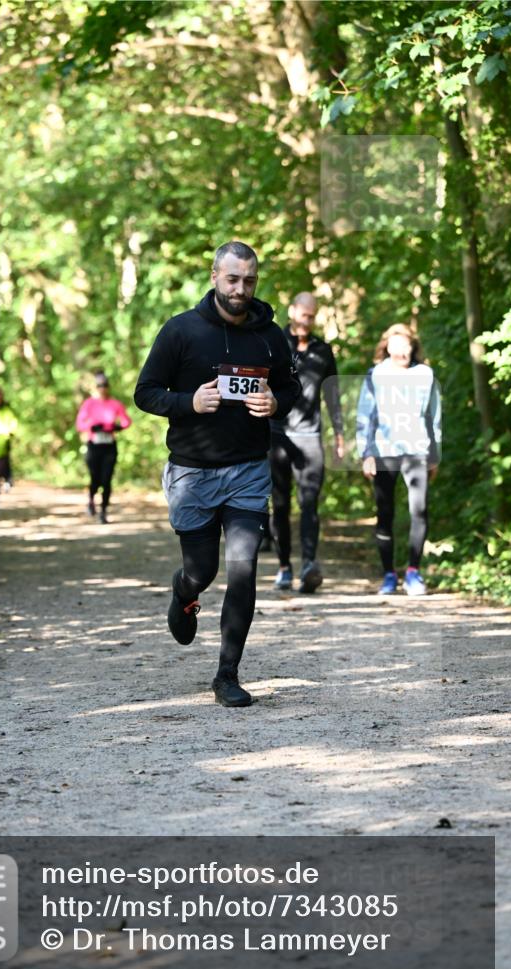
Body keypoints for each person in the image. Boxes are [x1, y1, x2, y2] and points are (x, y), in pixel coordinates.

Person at [135, 241, 300, 708]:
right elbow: (145, 392)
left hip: (248, 471)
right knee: (202, 570)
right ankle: (183, 590)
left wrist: (275, 403)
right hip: (192, 474)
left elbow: (291, 387)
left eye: (249, 280)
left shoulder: (270, 336)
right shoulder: (181, 331)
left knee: (244, 569)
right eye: (232, 279)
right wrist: (189, 402)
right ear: (214, 276)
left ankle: (227, 674)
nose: (240, 289)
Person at [356, 323, 441, 596]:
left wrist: (434, 454)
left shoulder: (425, 375)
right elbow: (365, 416)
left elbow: (434, 417)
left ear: (413, 347)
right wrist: (365, 453)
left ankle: (414, 573)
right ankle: (389, 575)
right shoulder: (376, 375)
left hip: (417, 451)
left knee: (420, 510)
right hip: (383, 452)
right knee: (385, 513)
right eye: (395, 344)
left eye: (406, 344)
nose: (401, 350)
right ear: (387, 347)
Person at [269, 292, 345, 593]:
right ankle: (284, 566)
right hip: (277, 434)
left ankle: (309, 566)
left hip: (311, 436)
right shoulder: (274, 343)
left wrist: (339, 436)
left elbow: (333, 394)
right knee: (280, 504)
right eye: (303, 314)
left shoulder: (323, 350)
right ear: (292, 312)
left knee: (310, 504)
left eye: (312, 316)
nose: (307, 320)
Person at [76, 373, 132, 524]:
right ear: (96, 387)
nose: (102, 388)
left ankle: (103, 511)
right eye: (99, 385)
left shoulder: (115, 404)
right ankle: (91, 500)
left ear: (108, 387)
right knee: (95, 479)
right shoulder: (89, 404)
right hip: (94, 446)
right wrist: (91, 427)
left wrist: (117, 427)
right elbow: (79, 425)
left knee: (106, 480)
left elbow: (127, 421)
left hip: (109, 447)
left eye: (105, 385)